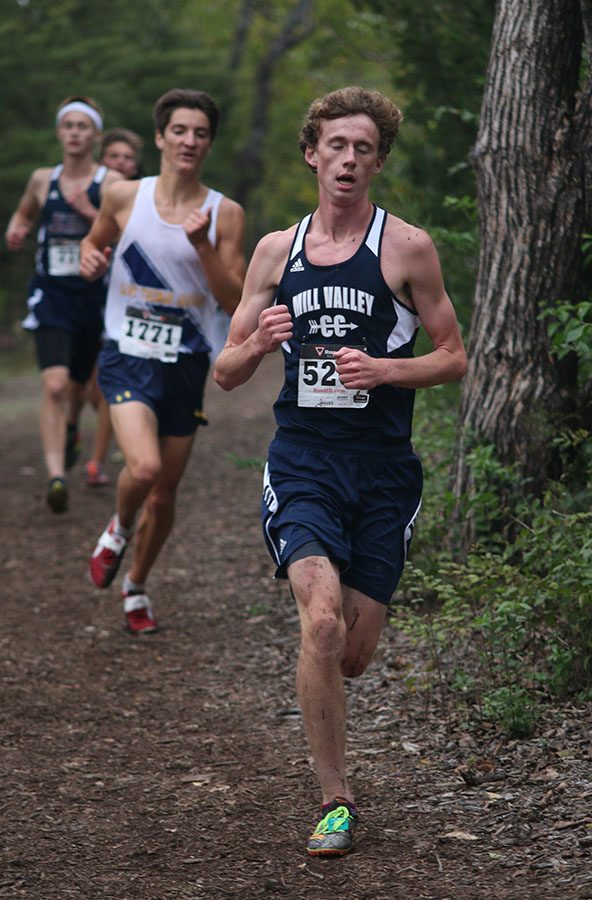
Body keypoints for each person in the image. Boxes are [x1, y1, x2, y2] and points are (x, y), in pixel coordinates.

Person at [213, 86, 467, 857]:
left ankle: (331, 691)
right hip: (303, 462)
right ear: (312, 154)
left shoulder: (408, 247)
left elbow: (453, 356)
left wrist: (384, 372)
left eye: (363, 148)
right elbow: (224, 371)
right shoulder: (273, 251)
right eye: (336, 146)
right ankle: (336, 798)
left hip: (385, 471)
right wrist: (257, 345)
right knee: (319, 620)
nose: (349, 159)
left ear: (378, 160)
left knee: (351, 651)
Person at [80, 88, 245, 635]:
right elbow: (94, 243)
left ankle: (136, 587)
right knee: (144, 469)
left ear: (209, 143)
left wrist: (201, 245)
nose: (189, 141)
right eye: (180, 130)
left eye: (200, 133)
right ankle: (117, 530)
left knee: (165, 492)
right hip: (126, 352)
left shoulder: (225, 213)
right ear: (160, 137)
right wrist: (89, 257)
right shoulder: (124, 196)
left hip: (187, 360)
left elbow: (234, 300)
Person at [5, 95, 121, 513]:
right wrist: (16, 231)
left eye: (82, 126)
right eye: (68, 125)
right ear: (60, 132)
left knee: (77, 384)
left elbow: (121, 235)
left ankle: (72, 428)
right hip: (51, 294)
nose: (74, 132)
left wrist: (88, 210)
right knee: (54, 385)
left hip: (93, 297)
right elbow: (22, 215)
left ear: (94, 135)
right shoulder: (42, 179)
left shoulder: (109, 183)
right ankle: (56, 476)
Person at [82, 127, 146, 487]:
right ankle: (100, 430)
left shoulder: (140, 198)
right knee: (82, 387)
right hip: (82, 296)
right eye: (114, 157)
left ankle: (97, 459)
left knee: (103, 384)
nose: (121, 163)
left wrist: (84, 209)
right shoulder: (85, 186)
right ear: (102, 161)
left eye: (128, 158)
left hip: (123, 302)